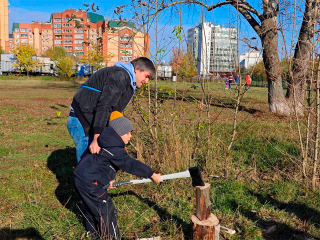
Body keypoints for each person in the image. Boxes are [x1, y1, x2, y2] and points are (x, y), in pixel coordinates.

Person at [74, 111, 163, 239]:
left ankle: (92, 232)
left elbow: (101, 165)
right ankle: (111, 237)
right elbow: (131, 164)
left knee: (91, 206)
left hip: (81, 177)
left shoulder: (105, 142)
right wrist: (152, 174)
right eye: (128, 133)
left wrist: (106, 180)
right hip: (89, 182)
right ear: (119, 134)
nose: (130, 136)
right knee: (105, 209)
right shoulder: (115, 149)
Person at [67, 57, 155, 162]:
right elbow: (104, 106)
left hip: (90, 120)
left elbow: (113, 110)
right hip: (83, 121)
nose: (146, 81)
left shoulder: (124, 77)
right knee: (88, 167)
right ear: (136, 69)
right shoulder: (120, 77)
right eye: (146, 76)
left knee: (96, 166)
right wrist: (96, 139)